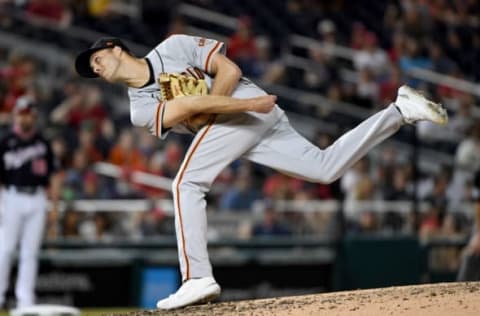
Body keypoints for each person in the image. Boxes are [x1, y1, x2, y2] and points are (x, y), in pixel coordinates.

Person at [74, 35, 448, 310]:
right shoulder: (139, 108)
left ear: (115, 47)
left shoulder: (172, 47)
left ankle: (197, 277)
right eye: (92, 69)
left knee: (186, 183)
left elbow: (229, 69)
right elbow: (187, 104)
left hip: (248, 106)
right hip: (247, 112)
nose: (96, 67)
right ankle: (399, 111)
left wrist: (243, 104)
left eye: (96, 58)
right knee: (324, 168)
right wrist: (241, 106)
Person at [0, 96, 61, 308]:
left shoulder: (42, 143)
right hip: (12, 197)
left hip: (37, 197)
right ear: (16, 115)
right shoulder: (5, 141)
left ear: (34, 116)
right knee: (5, 249)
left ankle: (25, 300)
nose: (26, 118)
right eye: (22, 113)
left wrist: (54, 205)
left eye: (29, 114)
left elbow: (53, 176)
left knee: (30, 253)